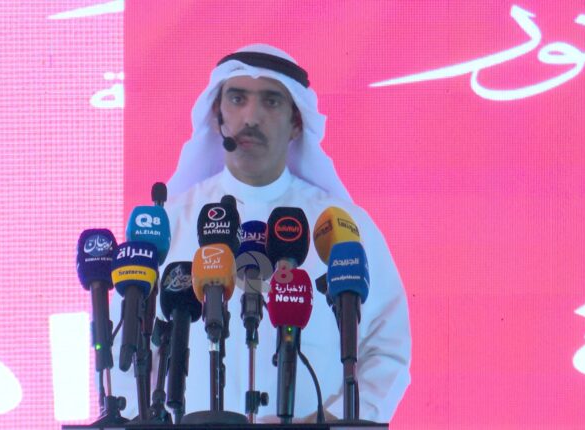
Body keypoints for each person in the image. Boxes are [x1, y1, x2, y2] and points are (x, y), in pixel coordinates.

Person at [115, 43, 411, 423]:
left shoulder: (343, 228)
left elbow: (387, 350)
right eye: (237, 99)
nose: (251, 117)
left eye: (271, 102)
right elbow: (127, 357)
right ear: (217, 115)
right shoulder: (171, 224)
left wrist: (327, 422)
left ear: (296, 122)